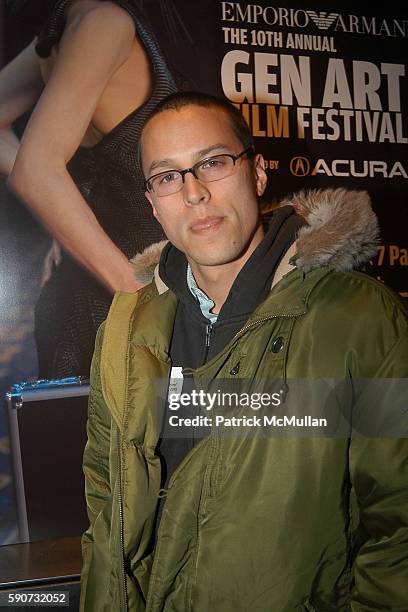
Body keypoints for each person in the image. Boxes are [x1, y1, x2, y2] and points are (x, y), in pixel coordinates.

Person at [80, 92, 408, 611]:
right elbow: (105, 503)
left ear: (256, 174)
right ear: (152, 205)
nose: (194, 193)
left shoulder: (359, 320)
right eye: (168, 176)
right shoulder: (124, 327)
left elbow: (398, 523)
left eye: (212, 163)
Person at [2, 0, 178, 377]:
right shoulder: (103, 24)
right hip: (138, 291)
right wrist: (140, 299)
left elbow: (38, 169)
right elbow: (35, 171)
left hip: (85, 290)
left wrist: (65, 214)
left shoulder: (69, 32)